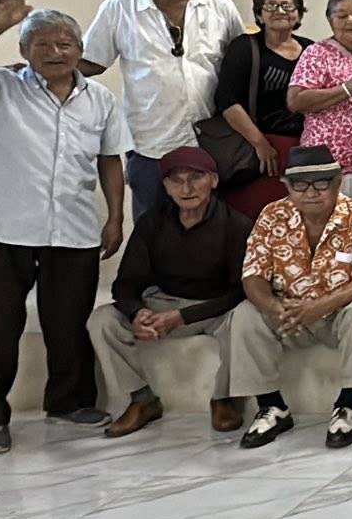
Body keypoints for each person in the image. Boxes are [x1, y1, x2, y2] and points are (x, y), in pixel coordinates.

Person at [0, 0, 129, 454]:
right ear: (24, 50)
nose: (54, 52)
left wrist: (115, 216)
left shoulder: (100, 99)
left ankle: (69, 402)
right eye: (42, 44)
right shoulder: (1, 85)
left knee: (69, 322)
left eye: (64, 43)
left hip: (72, 227)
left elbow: (110, 159)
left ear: (80, 49)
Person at [229, 146, 352, 450]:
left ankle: (347, 407)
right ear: (288, 186)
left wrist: (319, 307)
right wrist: (274, 307)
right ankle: (272, 407)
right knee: (245, 314)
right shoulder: (272, 215)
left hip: (339, 313)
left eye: (321, 183)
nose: (311, 193)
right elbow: (253, 274)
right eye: (300, 185)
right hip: (288, 315)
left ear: (338, 182)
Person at [79, 0, 244, 217]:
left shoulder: (221, 7)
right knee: (152, 230)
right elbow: (92, 62)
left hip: (212, 144)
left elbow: (241, 65)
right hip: (151, 146)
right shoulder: (119, 9)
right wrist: (38, 69)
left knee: (210, 231)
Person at [89, 147, 250, 439]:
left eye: (196, 178)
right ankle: (142, 400)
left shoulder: (236, 224)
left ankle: (224, 399)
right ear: (165, 185)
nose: (186, 189)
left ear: (214, 180)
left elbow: (241, 291)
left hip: (216, 308)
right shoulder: (152, 223)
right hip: (165, 302)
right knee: (102, 320)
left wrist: (182, 317)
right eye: (176, 180)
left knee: (246, 319)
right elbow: (126, 283)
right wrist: (137, 312)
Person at [214, 0, 312, 218]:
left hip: (302, 149)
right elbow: (226, 100)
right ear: (259, 14)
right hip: (257, 152)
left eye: (287, 5)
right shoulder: (245, 47)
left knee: (296, 220)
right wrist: (260, 143)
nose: (280, 11)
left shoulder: (312, 50)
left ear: (298, 13)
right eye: (271, 5)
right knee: (256, 217)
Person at [286, 0, 352, 203]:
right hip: (326, 166)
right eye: (341, 15)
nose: (350, 21)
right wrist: (347, 88)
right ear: (330, 20)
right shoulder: (317, 53)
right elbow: (296, 101)